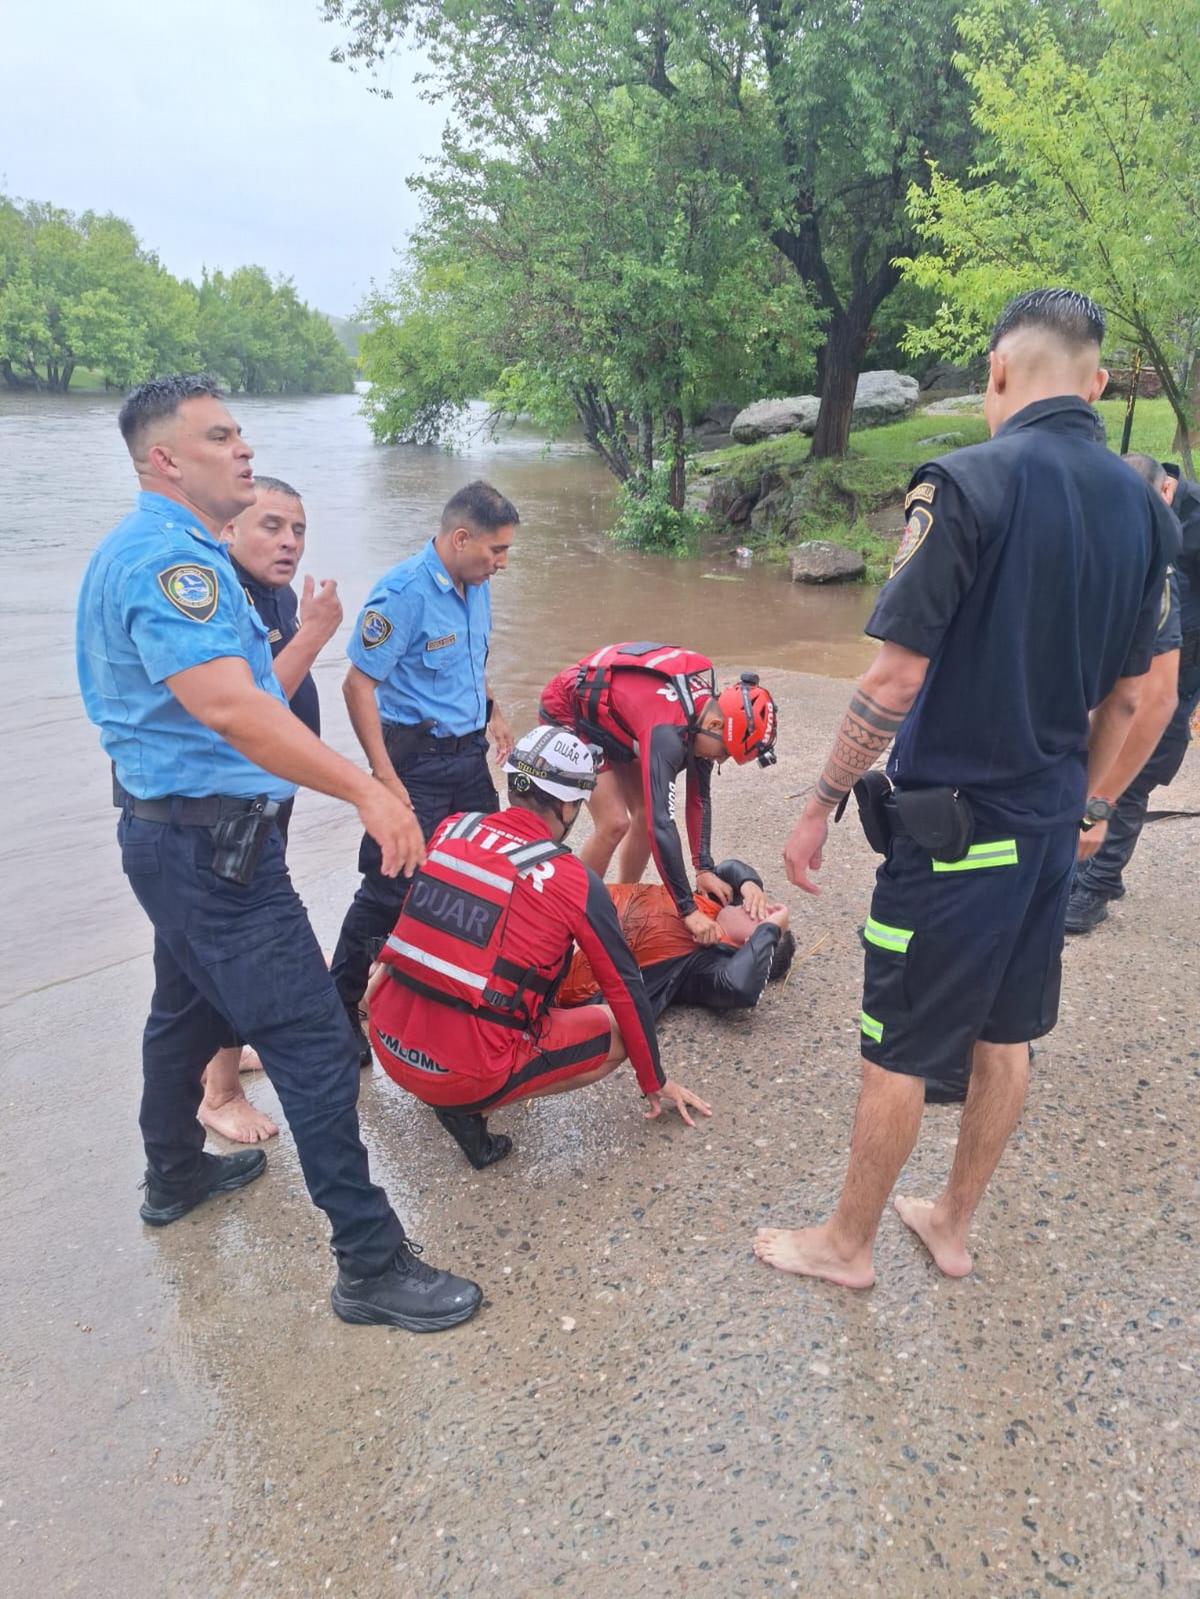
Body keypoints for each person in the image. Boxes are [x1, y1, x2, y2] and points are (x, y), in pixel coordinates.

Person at [757, 289, 1178, 1289]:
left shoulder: (963, 484)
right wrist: (1089, 804)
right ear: (1096, 383)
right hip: (1048, 830)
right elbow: (1138, 698)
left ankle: (846, 1244)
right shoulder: (1145, 510)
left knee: (898, 1046)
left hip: (954, 837)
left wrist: (818, 804)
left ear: (996, 371)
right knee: (1007, 1032)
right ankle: (950, 1223)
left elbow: (893, 680)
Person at [77, 373, 481, 1333]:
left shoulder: (165, 550)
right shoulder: (169, 562)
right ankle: (370, 1263)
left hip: (179, 840)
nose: (245, 450)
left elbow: (244, 693)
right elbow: (231, 707)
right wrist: (369, 789)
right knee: (316, 1041)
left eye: (242, 435)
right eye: (221, 437)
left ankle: (173, 1173)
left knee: (184, 1009)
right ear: (165, 459)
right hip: (211, 852)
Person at [367, 725, 711, 1168]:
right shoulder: (573, 880)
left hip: (387, 1042)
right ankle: (470, 1104)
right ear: (567, 806)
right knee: (618, 1031)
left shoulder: (453, 827)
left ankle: (453, 1084)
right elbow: (625, 988)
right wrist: (654, 1080)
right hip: (464, 1074)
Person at [330, 481, 518, 1065]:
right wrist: (384, 780)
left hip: (467, 759)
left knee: (481, 875)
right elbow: (357, 686)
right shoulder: (403, 594)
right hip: (413, 765)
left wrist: (493, 712)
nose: (502, 563)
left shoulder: (476, 585)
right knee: (390, 888)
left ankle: (443, 991)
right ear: (461, 538)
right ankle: (341, 1009)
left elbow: (472, 658)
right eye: (496, 550)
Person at [200, 475, 344, 1144]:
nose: (289, 541)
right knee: (229, 946)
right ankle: (218, 1093)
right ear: (229, 528)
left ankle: (227, 1055)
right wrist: (313, 635)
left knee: (238, 943)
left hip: (266, 798)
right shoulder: (218, 598)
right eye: (272, 525)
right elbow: (248, 710)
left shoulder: (275, 593)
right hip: (227, 810)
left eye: (298, 529)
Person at [539, 644, 778, 943]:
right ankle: (566, 918)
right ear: (716, 725)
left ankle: (622, 904)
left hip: (616, 720)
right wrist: (687, 910)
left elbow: (699, 799)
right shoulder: (669, 732)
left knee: (641, 817)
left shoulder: (705, 720)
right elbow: (661, 823)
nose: (719, 761)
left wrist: (703, 868)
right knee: (614, 822)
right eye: (724, 753)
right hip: (571, 709)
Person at [1066, 452, 1200, 932]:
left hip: (1180, 660)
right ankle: (1090, 860)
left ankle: (1100, 883)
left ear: (1165, 492)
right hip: (1129, 646)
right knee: (1102, 745)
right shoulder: (1122, 500)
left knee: (1137, 764)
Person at [556, 860, 796, 1017]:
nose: (753, 906)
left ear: (749, 944)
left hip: (561, 971)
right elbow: (727, 868)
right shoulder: (715, 901)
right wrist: (750, 884)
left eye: (760, 917)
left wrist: (772, 927)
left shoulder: (705, 965)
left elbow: (740, 986)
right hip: (565, 908)